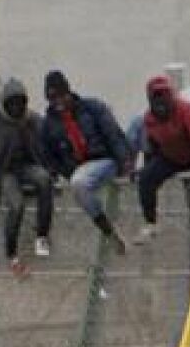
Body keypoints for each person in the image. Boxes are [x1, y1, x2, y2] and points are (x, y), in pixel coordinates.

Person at [0, 77, 55, 276]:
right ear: (4, 103)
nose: (16, 108)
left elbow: (51, 142)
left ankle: (41, 235)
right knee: (16, 204)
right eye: (11, 103)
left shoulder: (33, 120)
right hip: (2, 172)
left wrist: (56, 167)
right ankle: (12, 252)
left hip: (27, 167)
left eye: (20, 103)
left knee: (44, 180)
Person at [39, 70, 134, 253]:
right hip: (78, 168)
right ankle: (109, 231)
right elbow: (48, 156)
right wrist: (56, 173)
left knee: (79, 183)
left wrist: (125, 161)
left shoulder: (92, 108)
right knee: (79, 184)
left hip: (104, 161)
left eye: (61, 96)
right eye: (52, 99)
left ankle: (110, 228)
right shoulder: (49, 125)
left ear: (68, 92)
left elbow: (112, 133)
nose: (58, 102)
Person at [133, 75, 190, 244]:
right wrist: (147, 167)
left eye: (164, 96)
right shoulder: (149, 118)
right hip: (170, 157)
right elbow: (152, 144)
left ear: (171, 96)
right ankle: (151, 222)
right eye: (156, 97)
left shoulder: (187, 110)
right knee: (146, 179)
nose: (160, 102)